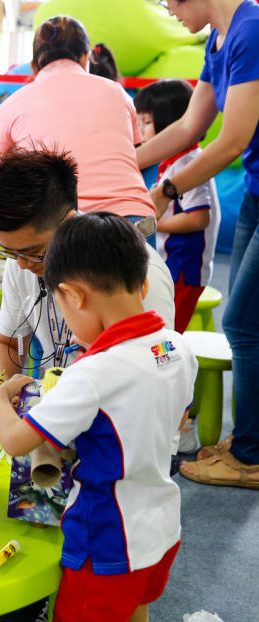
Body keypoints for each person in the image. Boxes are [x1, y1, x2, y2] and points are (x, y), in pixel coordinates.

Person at [0, 213, 196, 622]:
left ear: (73, 296)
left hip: (106, 539)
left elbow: (14, 441)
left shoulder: (93, 373)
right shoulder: (177, 348)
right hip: (161, 528)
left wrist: (0, 396)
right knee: (138, 610)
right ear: (144, 283)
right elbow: (170, 418)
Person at [136, 0, 259, 488]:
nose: (170, 11)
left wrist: (166, 192)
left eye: (172, 2)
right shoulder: (219, 38)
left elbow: (231, 140)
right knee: (247, 322)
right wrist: (121, 161)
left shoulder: (251, 30)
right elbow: (190, 127)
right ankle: (250, 441)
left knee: (242, 324)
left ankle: (249, 456)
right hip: (255, 190)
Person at [0, 148, 175, 421]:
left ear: (69, 222)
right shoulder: (22, 260)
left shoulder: (135, 273)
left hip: (110, 425)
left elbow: (155, 387)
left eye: (33, 251)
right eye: (8, 252)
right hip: (50, 406)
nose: (21, 265)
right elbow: (7, 342)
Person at [0, 16, 157, 244]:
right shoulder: (118, 93)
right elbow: (136, 156)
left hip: (60, 226)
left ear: (33, 66)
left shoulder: (9, 106)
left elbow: (5, 180)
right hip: (132, 221)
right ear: (85, 58)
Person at [134, 79, 221, 333]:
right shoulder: (173, 161)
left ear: (172, 122)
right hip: (173, 263)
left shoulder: (189, 164)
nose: (142, 132)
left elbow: (198, 219)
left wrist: (152, 225)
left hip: (185, 269)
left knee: (167, 332)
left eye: (147, 123)